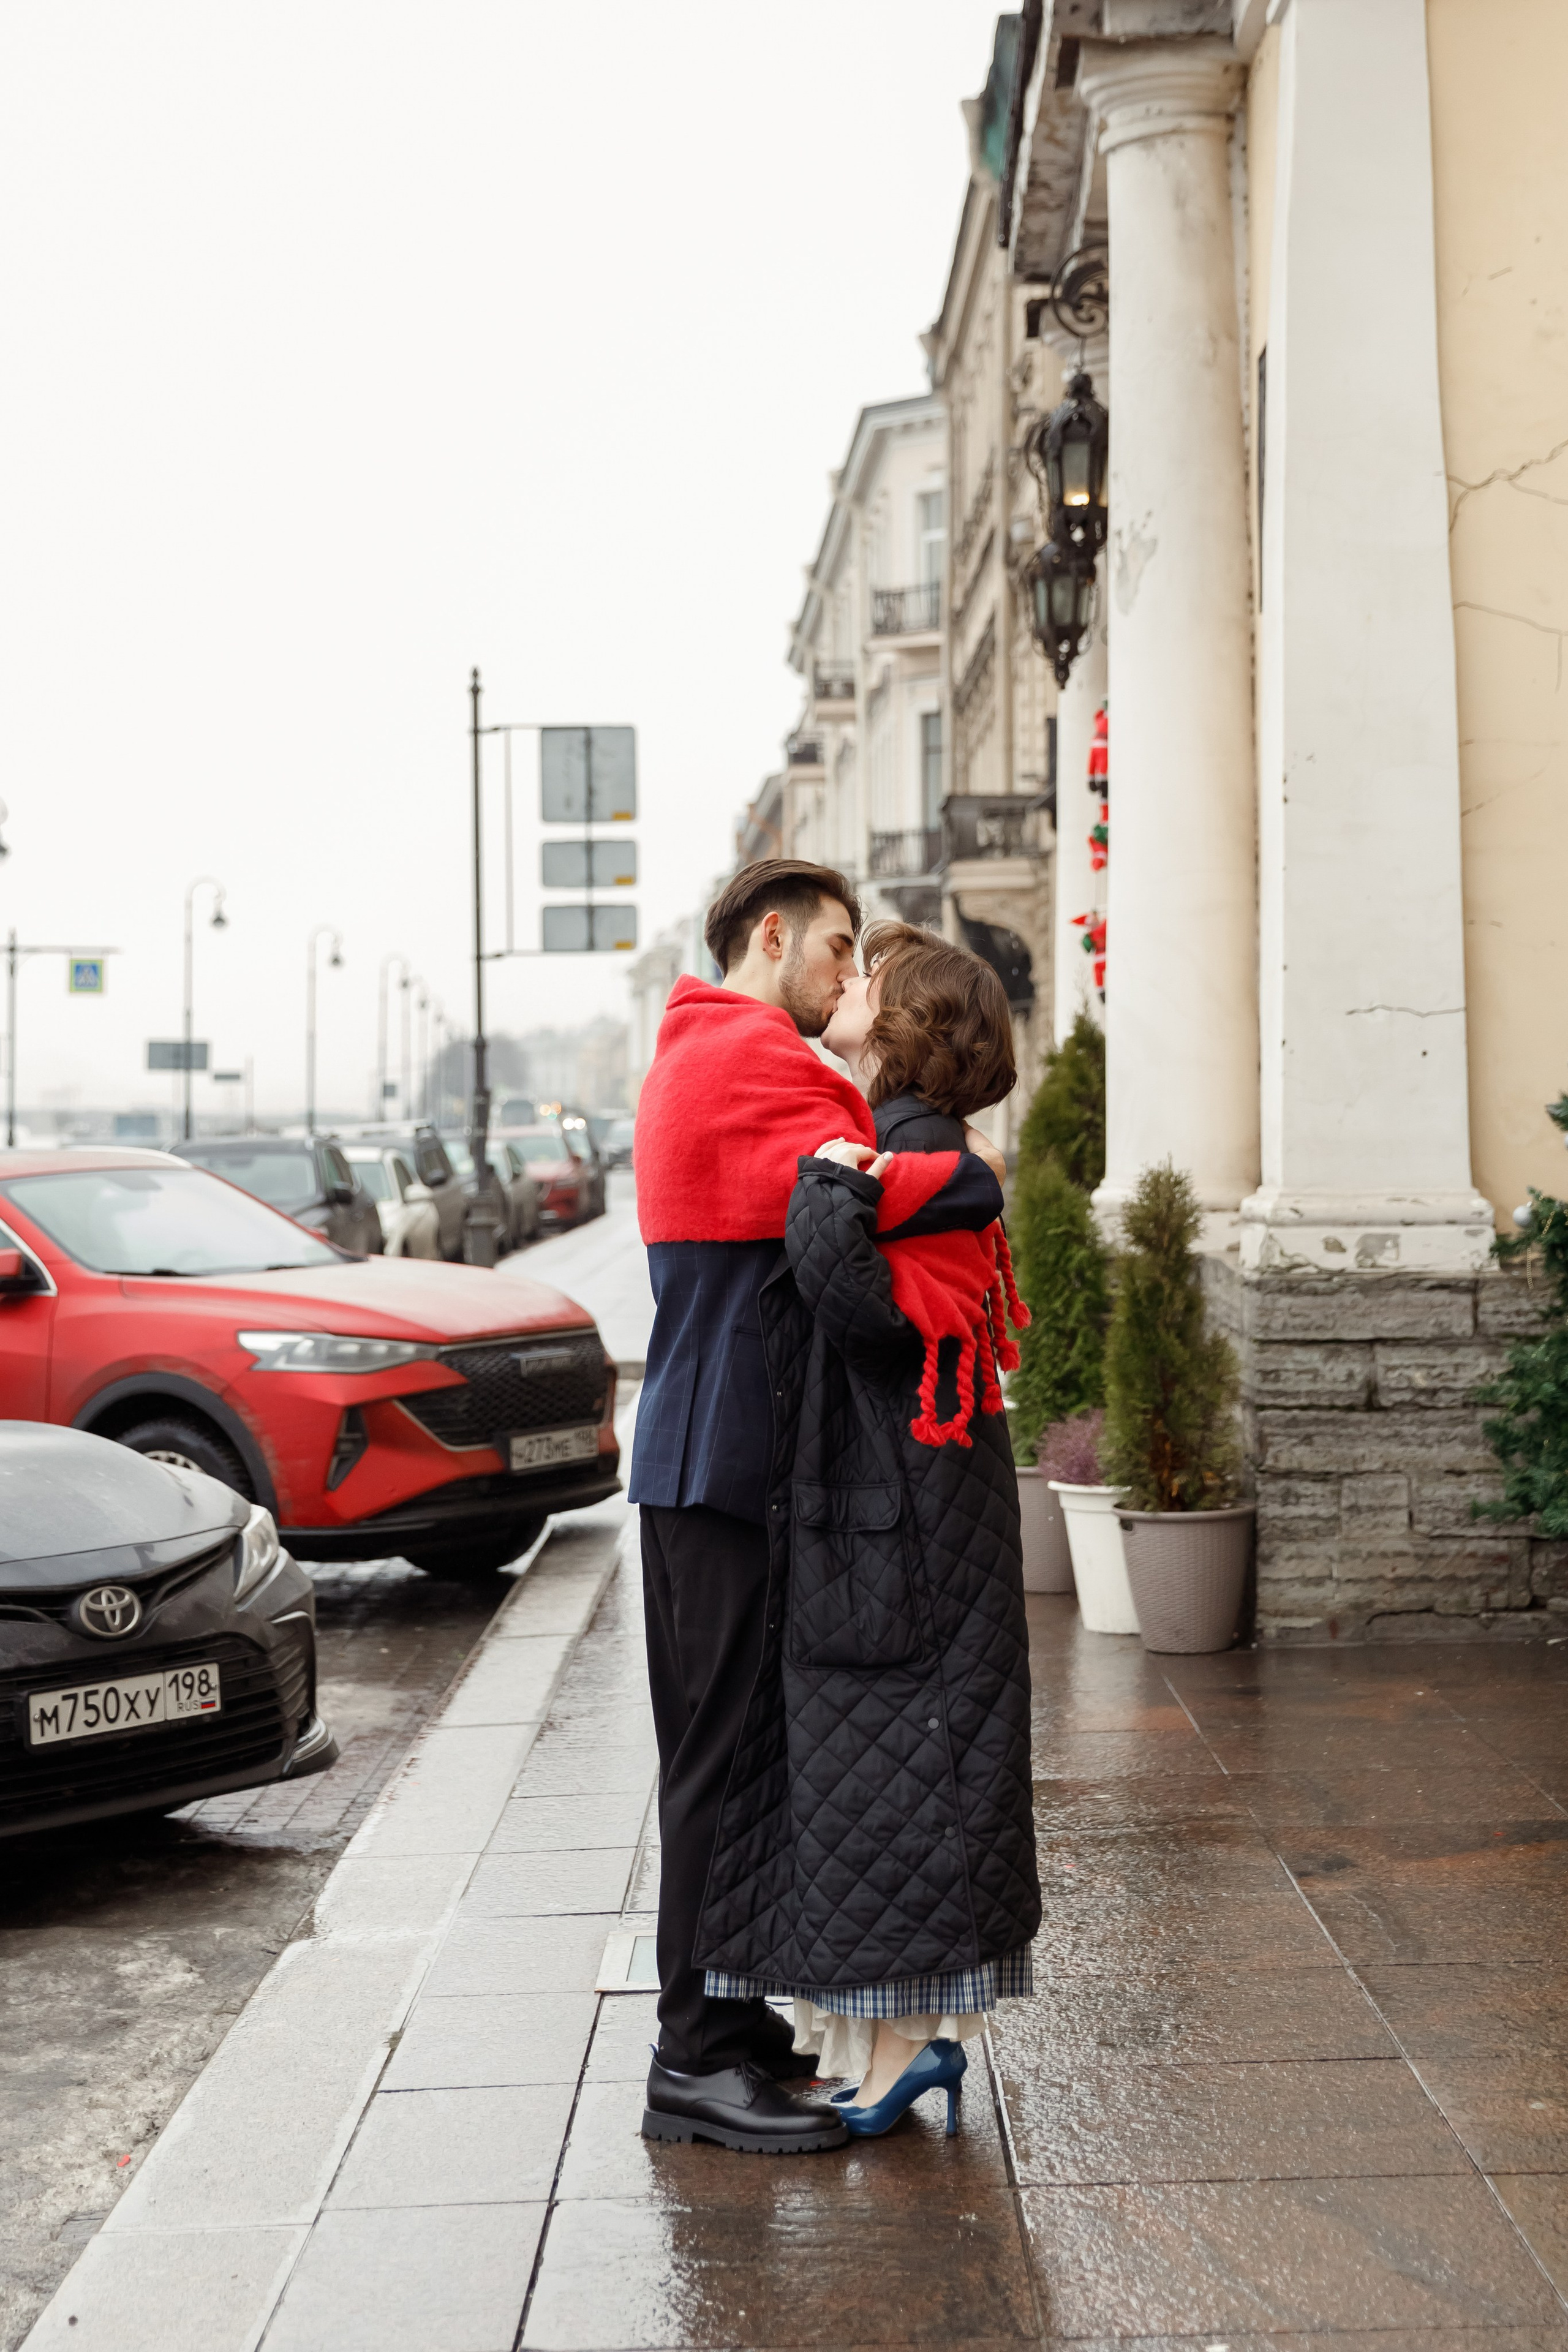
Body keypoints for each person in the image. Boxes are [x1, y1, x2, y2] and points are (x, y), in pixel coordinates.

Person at [630, 861, 1008, 2155]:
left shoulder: (707, 1039)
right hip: (721, 1467)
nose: (852, 980)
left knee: (733, 1759)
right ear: (771, 936)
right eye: (838, 951)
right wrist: (970, 1173)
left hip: (719, 1463)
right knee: (711, 1765)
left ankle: (730, 2030)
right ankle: (688, 2057)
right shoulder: (750, 1058)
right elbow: (904, 1182)